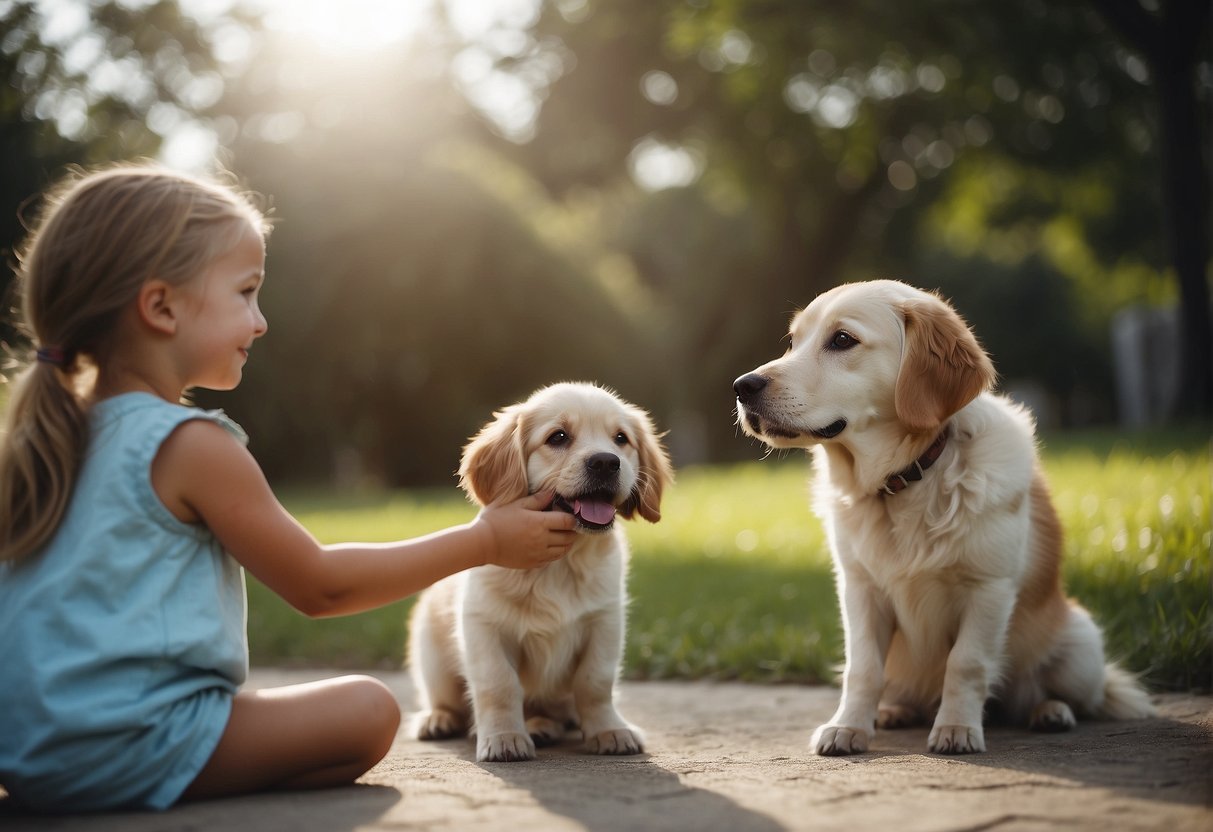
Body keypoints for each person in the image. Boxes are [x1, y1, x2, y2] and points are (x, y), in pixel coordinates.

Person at [0, 164, 578, 813]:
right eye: (245, 292)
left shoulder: (40, 443)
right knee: (367, 710)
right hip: (128, 745)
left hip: (26, 756)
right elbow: (319, 584)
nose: (261, 320)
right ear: (161, 306)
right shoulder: (190, 444)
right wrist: (484, 540)